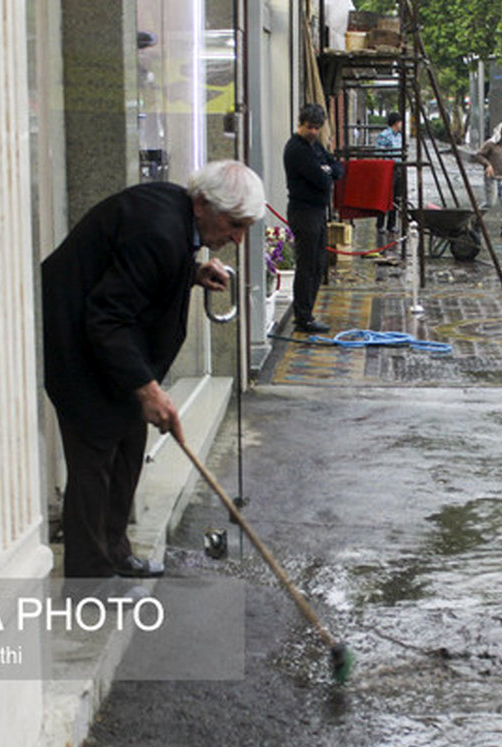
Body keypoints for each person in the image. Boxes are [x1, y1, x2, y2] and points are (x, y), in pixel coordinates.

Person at [42, 160, 265, 579]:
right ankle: (90, 575)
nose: (237, 238)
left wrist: (192, 272)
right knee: (94, 456)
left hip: (108, 344)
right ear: (202, 203)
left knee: (128, 443)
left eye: (245, 227)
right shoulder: (159, 230)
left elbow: (137, 274)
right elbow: (107, 316)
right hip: (75, 342)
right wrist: (147, 390)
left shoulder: (175, 216)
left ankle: (115, 550)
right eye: (234, 224)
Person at [284, 103, 344, 334]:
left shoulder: (314, 145)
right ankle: (303, 316)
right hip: (304, 211)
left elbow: (336, 168)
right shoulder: (297, 149)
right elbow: (322, 179)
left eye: (317, 128)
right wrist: (327, 172)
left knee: (318, 263)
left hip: (318, 211)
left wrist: (328, 170)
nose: (314, 132)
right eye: (310, 127)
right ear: (300, 124)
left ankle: (308, 312)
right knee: (307, 264)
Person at [476, 121, 502, 237]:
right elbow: (479, 155)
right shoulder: (491, 144)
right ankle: (475, 220)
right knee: (490, 202)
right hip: (492, 178)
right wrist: (487, 165)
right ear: (500, 132)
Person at [374, 111, 404, 236]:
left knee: (396, 197)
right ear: (396, 123)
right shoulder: (385, 135)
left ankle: (391, 224)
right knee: (385, 196)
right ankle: (380, 224)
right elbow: (379, 153)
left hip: (398, 168)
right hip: (387, 168)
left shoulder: (399, 136)